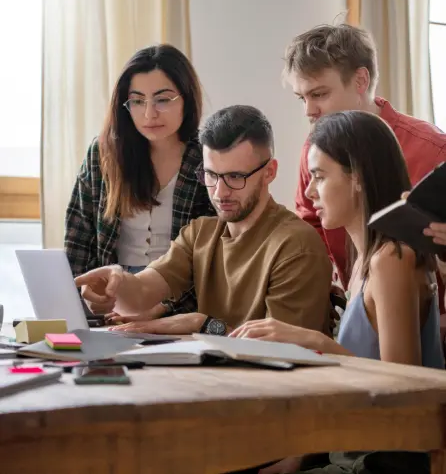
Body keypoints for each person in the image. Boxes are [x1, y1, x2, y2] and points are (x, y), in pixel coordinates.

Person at [231, 111, 443, 474]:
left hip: (382, 461)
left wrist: (318, 342)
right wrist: (298, 458)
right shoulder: (364, 259)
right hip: (349, 452)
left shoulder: (392, 259)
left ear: (357, 177)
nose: (309, 191)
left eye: (319, 176)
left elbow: (404, 392)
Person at [74, 105, 333, 336]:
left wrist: (202, 324)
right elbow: (141, 293)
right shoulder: (201, 233)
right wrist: (115, 283)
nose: (220, 192)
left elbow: (284, 350)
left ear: (269, 172)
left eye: (235, 177)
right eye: (211, 175)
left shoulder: (297, 246)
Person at [285, 23, 446, 298]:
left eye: (319, 94)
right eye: (302, 98)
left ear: (360, 80)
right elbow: (309, 230)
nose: (308, 111)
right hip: (356, 313)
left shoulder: (435, 151)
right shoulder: (313, 149)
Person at [65, 44, 215, 319]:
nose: (149, 114)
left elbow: (213, 258)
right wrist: (88, 300)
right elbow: (78, 242)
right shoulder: (103, 154)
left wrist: (160, 311)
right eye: (137, 100)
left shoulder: (208, 157)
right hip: (112, 295)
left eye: (163, 99)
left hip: (182, 303)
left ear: (187, 98)